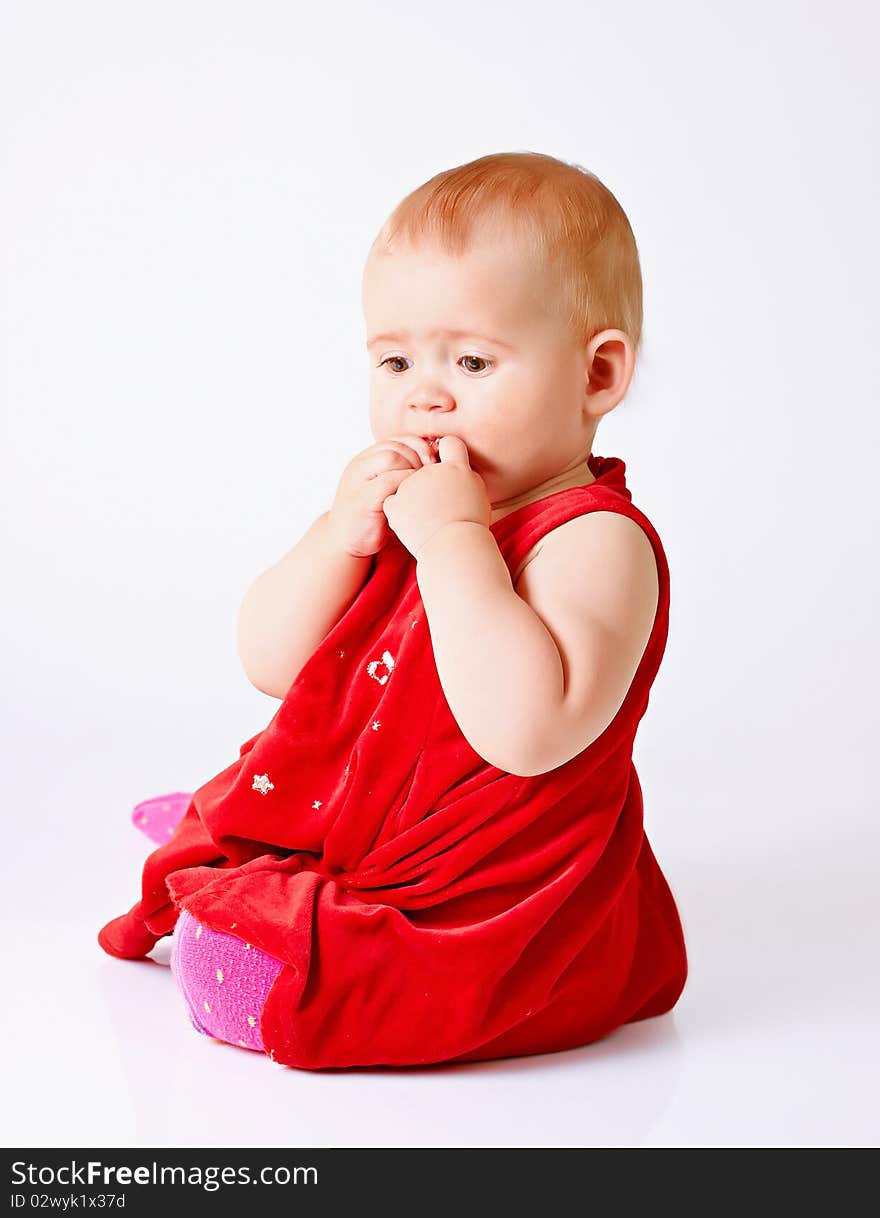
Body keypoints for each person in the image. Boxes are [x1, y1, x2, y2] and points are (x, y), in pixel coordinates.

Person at [98, 150, 688, 1069]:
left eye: (473, 359)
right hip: (370, 812)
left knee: (292, 972)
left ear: (598, 377)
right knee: (241, 823)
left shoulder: (593, 541)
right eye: (395, 358)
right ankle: (253, 841)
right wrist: (337, 536)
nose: (424, 393)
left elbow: (528, 735)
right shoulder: (413, 503)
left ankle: (249, 906)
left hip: (493, 889)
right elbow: (271, 663)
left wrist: (456, 548)